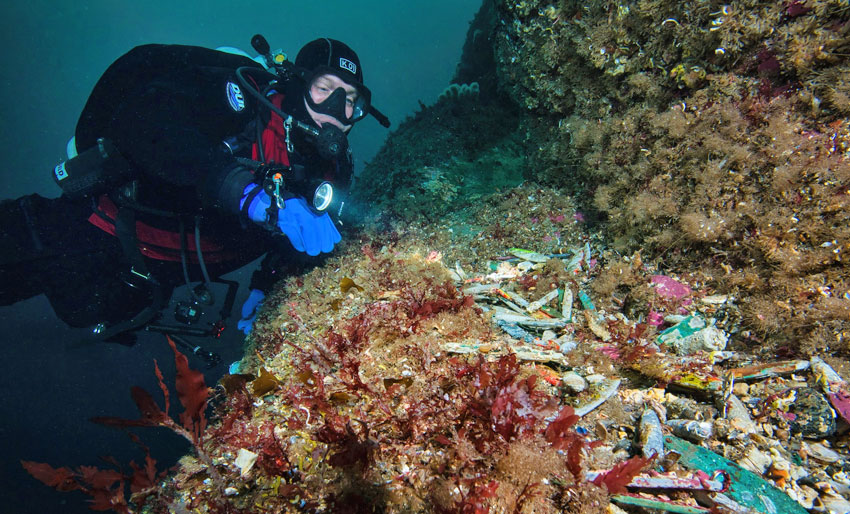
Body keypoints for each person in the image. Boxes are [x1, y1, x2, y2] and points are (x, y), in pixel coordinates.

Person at [0, 35, 390, 344]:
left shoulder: (331, 171)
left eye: (352, 101)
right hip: (85, 228)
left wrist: (269, 283)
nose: (337, 109)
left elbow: (294, 241)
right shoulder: (241, 101)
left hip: (145, 280)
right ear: (296, 83)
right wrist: (251, 196)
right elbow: (145, 125)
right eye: (325, 89)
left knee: (83, 309)